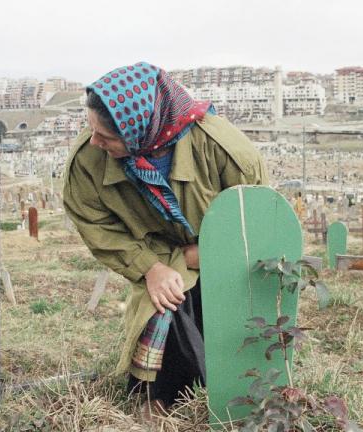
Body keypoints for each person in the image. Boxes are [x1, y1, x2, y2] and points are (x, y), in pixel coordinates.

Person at [62, 62, 267, 417]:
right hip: (153, 252)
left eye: (106, 137)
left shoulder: (225, 150)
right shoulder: (88, 160)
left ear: (140, 131)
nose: (94, 141)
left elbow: (259, 216)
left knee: (224, 327)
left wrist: (211, 252)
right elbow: (92, 220)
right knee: (165, 300)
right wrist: (151, 267)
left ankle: (231, 392)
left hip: (222, 257)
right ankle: (157, 398)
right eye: (91, 129)